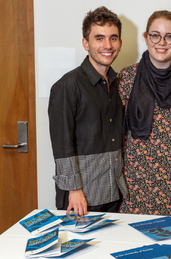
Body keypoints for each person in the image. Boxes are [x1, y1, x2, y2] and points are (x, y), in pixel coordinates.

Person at [118, 10, 171, 216]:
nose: (161, 42)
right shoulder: (126, 78)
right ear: (145, 38)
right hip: (135, 184)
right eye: (155, 35)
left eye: (169, 36)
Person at [48, 6, 127, 216]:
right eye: (99, 38)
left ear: (120, 43)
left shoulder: (119, 83)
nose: (107, 45)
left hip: (114, 192)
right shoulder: (68, 85)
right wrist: (74, 189)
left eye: (113, 38)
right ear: (86, 43)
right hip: (82, 197)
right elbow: (62, 145)